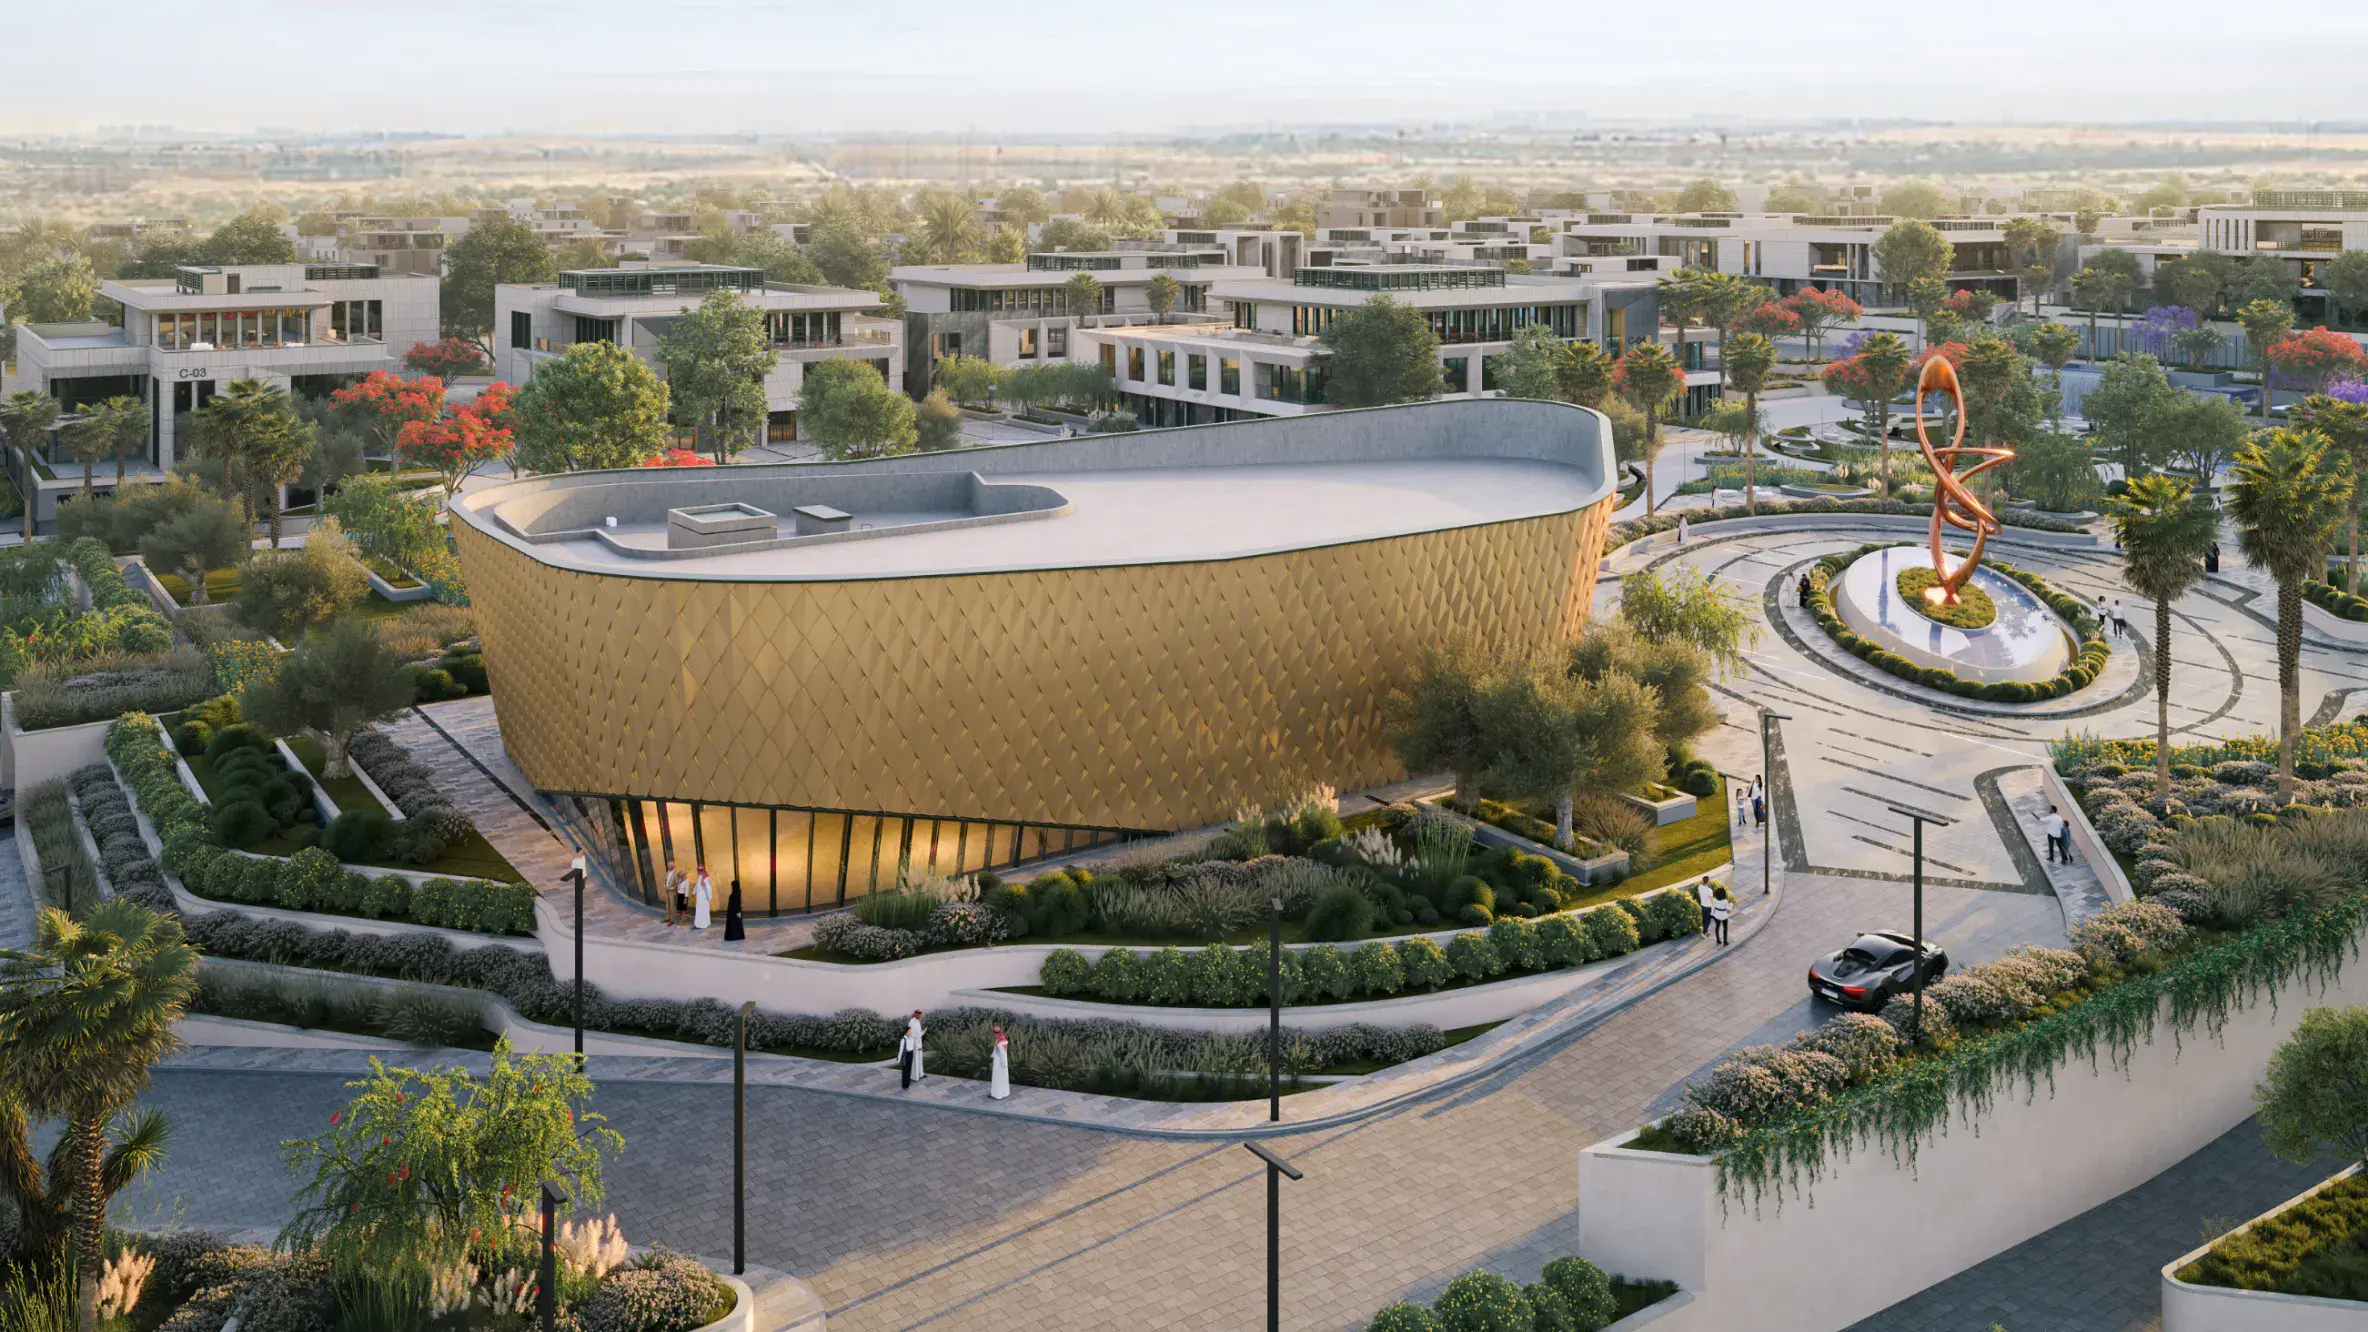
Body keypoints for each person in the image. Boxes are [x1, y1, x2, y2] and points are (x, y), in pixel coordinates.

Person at [899, 1010, 926, 1089]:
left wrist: (923, 1032)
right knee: (914, 1061)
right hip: (913, 1045)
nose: (920, 1016)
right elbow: (912, 1036)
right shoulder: (912, 1022)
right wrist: (917, 1045)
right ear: (916, 1014)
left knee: (918, 1060)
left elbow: (918, 1034)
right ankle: (913, 1077)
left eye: (920, 1014)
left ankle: (920, 1074)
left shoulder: (917, 1022)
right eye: (919, 1014)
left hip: (918, 1043)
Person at [989, 1025, 1011, 1100]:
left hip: (999, 1063)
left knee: (998, 1078)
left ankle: (998, 1095)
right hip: (1001, 1062)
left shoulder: (1000, 1043)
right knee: (1002, 1077)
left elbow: (1002, 1054)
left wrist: (1004, 1064)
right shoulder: (1001, 1039)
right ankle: (1003, 1093)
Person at [663, 860, 685, 926]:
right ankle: (668, 918)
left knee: (672, 906)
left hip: (672, 892)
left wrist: (670, 888)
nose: (667, 867)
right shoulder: (668, 872)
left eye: (668, 866)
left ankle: (672, 920)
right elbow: (666, 880)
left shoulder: (676, 873)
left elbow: (676, 884)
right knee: (667, 905)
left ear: (672, 867)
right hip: (667, 891)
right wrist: (664, 885)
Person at [692, 865, 713, 930]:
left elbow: (708, 888)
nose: (699, 872)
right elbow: (697, 885)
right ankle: (700, 923)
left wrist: (709, 897)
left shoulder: (706, 878)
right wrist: (693, 892)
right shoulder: (700, 876)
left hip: (704, 898)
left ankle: (701, 924)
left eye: (700, 870)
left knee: (702, 911)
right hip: (699, 898)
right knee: (699, 911)